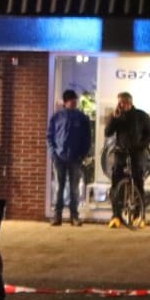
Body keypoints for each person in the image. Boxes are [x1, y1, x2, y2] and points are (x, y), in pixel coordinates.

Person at [103, 91, 150, 227]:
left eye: (124, 102)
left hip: (137, 154)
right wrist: (114, 118)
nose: (122, 105)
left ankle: (139, 216)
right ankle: (116, 216)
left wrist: (141, 146)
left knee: (138, 184)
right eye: (120, 103)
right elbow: (108, 133)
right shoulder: (117, 116)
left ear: (130, 102)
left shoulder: (141, 116)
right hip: (120, 154)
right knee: (116, 185)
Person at [45, 89, 91, 226]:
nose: (74, 102)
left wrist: (82, 154)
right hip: (59, 157)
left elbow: (87, 139)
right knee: (59, 187)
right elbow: (50, 137)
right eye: (72, 100)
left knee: (74, 188)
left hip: (75, 158)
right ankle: (57, 216)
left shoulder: (82, 118)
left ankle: (74, 216)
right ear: (65, 102)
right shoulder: (56, 117)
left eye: (75, 100)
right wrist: (53, 153)